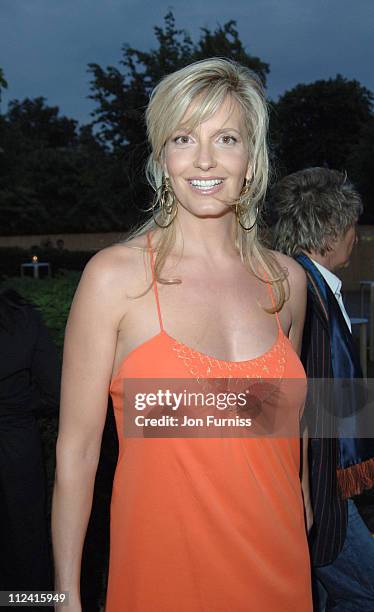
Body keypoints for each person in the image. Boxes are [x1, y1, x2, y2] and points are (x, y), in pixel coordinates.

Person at [52, 58, 312, 612]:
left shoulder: (287, 281)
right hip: (164, 573)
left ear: (252, 158)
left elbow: (290, 426)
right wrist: (64, 595)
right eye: (183, 137)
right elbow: (76, 450)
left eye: (226, 137)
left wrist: (308, 517)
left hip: (281, 567)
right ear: (161, 156)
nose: (204, 160)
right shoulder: (114, 279)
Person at [269, 167, 374, 611]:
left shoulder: (307, 283)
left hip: (320, 477)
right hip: (320, 482)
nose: (357, 238)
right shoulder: (305, 293)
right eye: (353, 227)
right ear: (332, 231)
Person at [0, 289, 60, 595]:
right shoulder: (21, 316)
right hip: (18, 445)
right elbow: (54, 391)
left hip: (17, 434)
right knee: (28, 541)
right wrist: (21, 407)